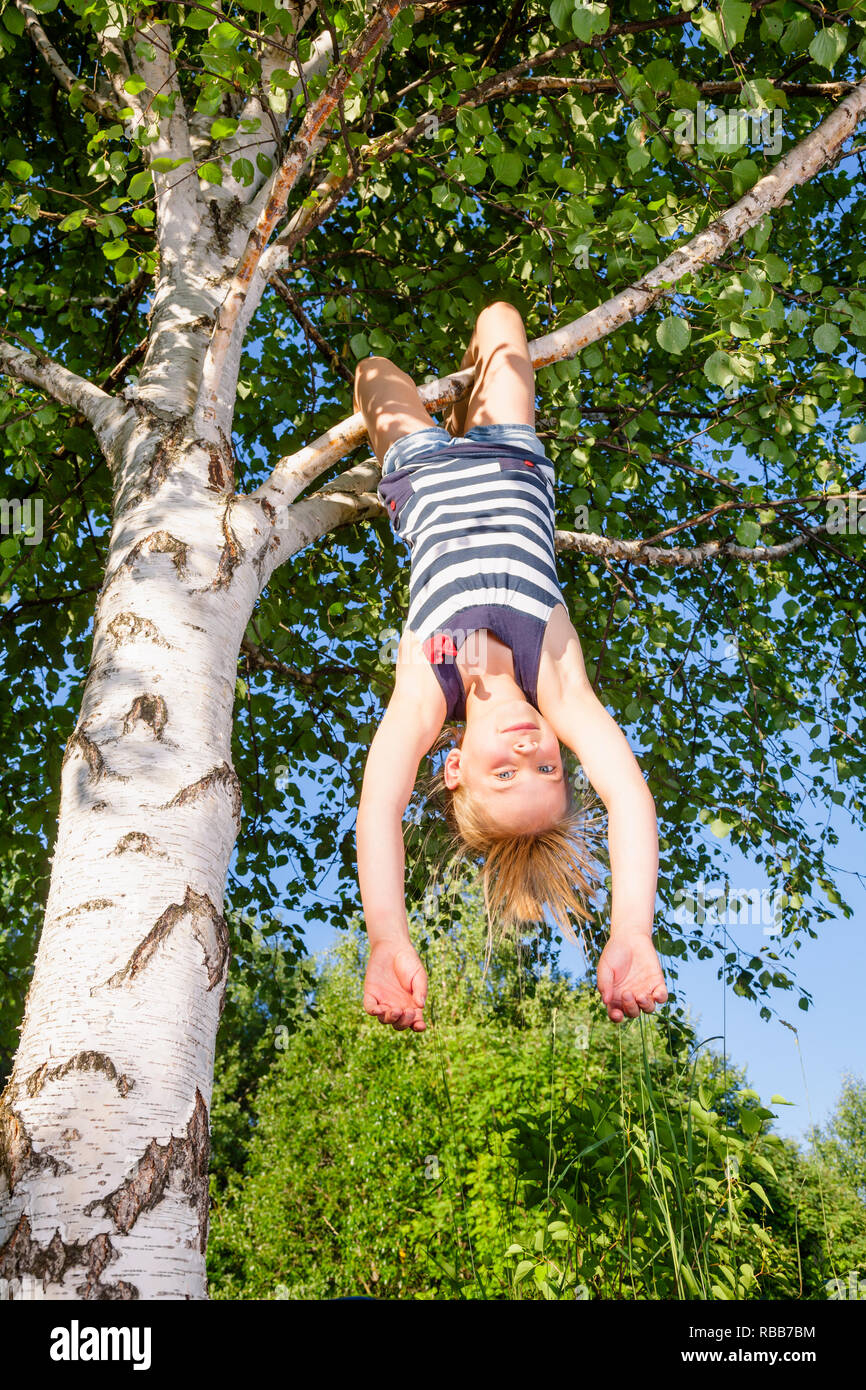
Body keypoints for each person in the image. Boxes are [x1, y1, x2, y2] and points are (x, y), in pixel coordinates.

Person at [354, 301, 667, 1034]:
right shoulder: (555, 680)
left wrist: (387, 937)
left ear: (456, 766)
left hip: (419, 470)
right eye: (549, 772)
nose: (530, 753)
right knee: (500, 319)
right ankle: (469, 395)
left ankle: (448, 405)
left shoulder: (426, 691)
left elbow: (378, 812)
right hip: (509, 450)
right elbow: (629, 799)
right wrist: (632, 931)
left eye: (504, 774)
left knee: (373, 369)